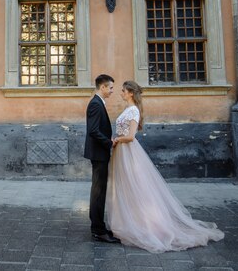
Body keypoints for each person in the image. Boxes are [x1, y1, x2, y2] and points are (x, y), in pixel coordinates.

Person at [106, 80, 224, 253]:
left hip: (127, 149)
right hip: (122, 151)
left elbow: (130, 136)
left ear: (131, 92)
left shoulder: (133, 110)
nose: (121, 93)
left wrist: (117, 139)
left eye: (123, 90)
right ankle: (129, 221)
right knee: (127, 187)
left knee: (136, 186)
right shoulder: (128, 109)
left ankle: (143, 224)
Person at [84, 74, 120, 243]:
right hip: (99, 153)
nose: (112, 91)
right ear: (103, 87)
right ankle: (98, 230)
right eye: (111, 87)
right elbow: (93, 130)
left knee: (99, 190)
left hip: (99, 152)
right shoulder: (96, 104)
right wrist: (109, 143)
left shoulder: (98, 103)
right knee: (98, 191)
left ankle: (98, 226)